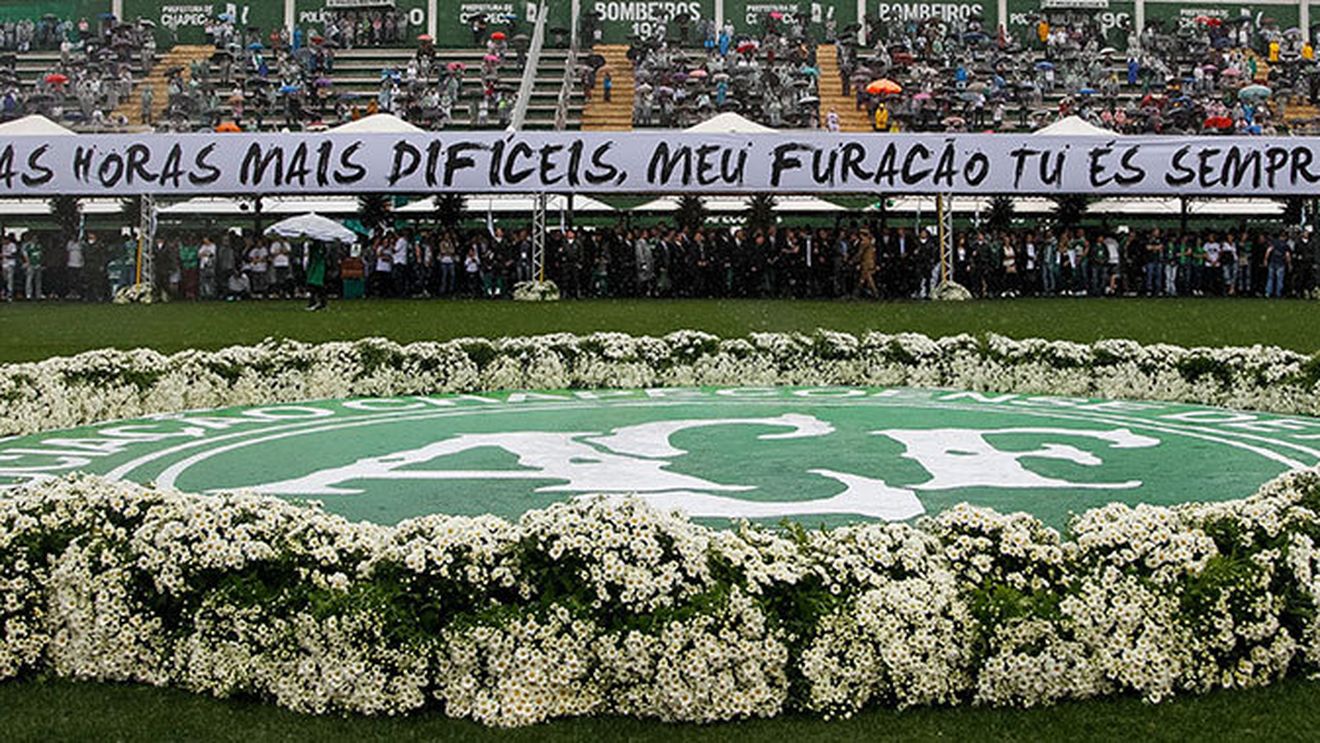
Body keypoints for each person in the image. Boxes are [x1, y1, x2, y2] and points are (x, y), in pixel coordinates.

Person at [1264, 233, 1292, 298]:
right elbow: (1287, 255)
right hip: (1281, 263)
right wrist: (1289, 264)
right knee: (1280, 279)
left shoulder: (1274, 243)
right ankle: (1278, 293)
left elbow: (1268, 251)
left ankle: (1268, 292)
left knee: (1270, 278)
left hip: (1272, 261)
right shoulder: (1285, 245)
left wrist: (1265, 259)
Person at [305, 240, 327, 310]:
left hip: (318, 266)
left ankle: (318, 302)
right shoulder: (314, 244)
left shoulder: (320, 245)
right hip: (313, 266)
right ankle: (316, 302)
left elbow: (319, 255)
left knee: (316, 285)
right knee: (314, 285)